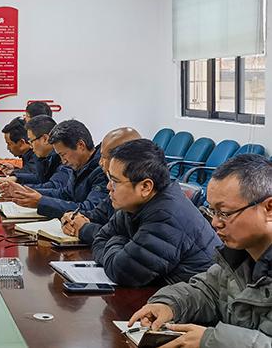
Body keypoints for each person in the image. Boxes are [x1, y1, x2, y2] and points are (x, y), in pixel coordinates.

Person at [129, 154, 272, 347]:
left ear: (269, 208)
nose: (215, 222)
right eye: (212, 211)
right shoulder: (239, 256)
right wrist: (169, 305)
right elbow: (207, 291)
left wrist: (210, 341)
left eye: (224, 213)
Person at [92, 139, 219, 287]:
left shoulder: (168, 216)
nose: (108, 186)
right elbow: (99, 240)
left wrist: (118, 240)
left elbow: (123, 272)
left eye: (115, 181)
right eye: (109, 178)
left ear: (145, 187)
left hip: (193, 297)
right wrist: (122, 245)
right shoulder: (134, 206)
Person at [0, 119, 109, 219]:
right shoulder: (78, 165)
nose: (63, 161)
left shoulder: (101, 171)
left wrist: (41, 202)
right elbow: (65, 194)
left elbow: (90, 209)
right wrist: (25, 192)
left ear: (81, 145)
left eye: (63, 154)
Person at [60, 127, 141, 244]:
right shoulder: (114, 184)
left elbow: (122, 241)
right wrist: (72, 217)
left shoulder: (137, 191)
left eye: (104, 157)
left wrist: (84, 229)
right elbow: (98, 214)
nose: (100, 162)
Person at [0, 116, 71, 190]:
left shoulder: (63, 158)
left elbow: (53, 187)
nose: (30, 146)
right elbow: (39, 178)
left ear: (45, 139)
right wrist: (16, 178)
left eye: (31, 141)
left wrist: (20, 189)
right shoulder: (45, 156)